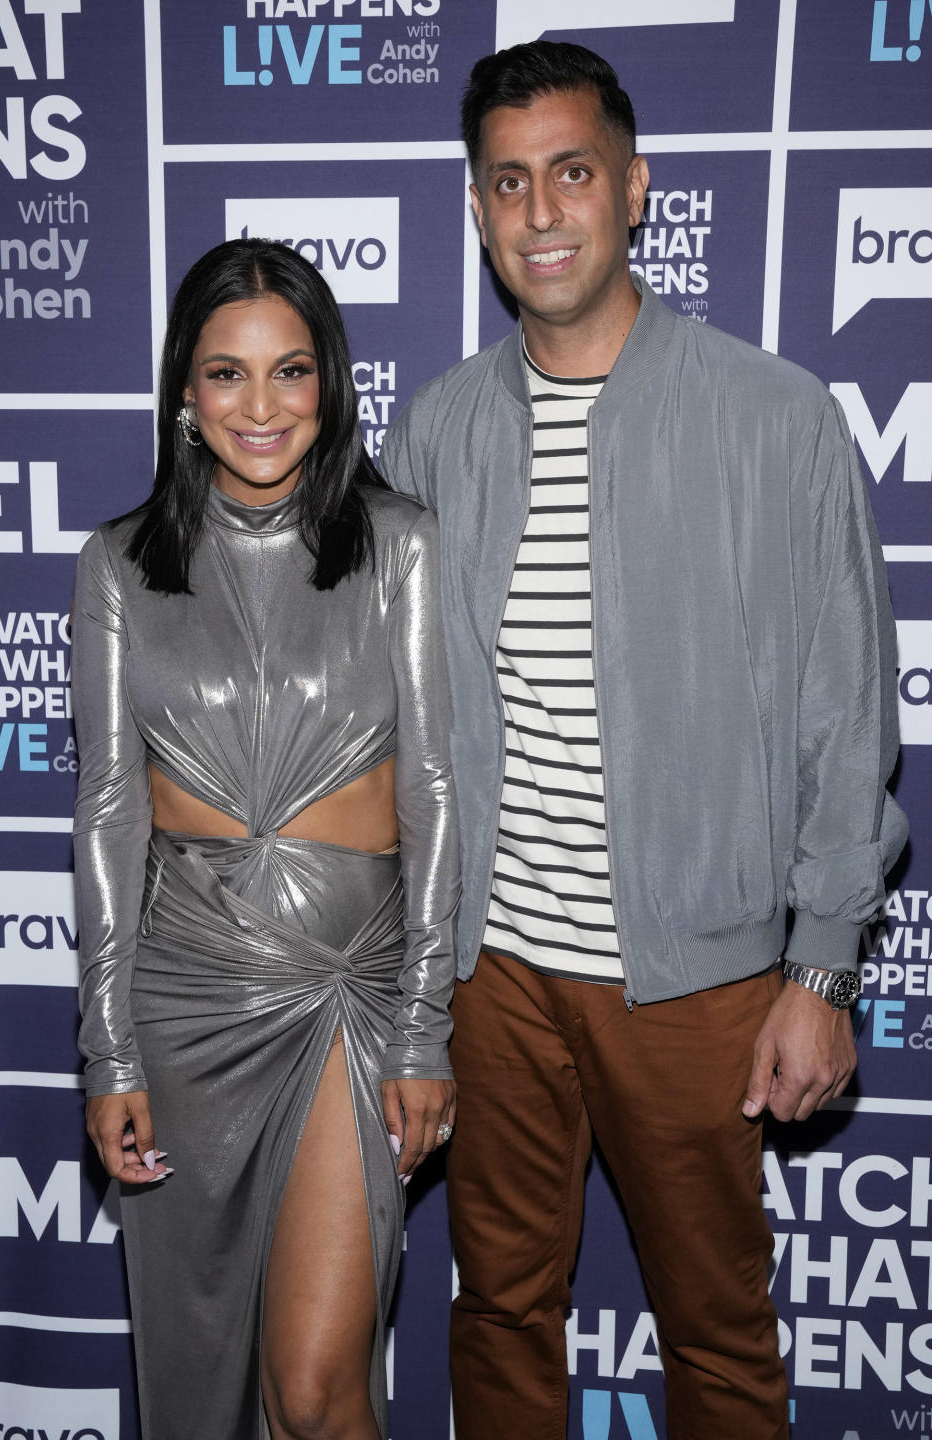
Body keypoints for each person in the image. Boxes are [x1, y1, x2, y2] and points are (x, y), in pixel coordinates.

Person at [380, 40, 905, 1440]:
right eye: (508, 182)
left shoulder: (774, 417)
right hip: (491, 980)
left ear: (633, 188)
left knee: (720, 1336)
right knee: (496, 1311)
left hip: (699, 984)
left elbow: (848, 710)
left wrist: (822, 968)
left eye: (569, 173)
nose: (541, 211)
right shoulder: (434, 431)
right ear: (480, 210)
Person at [71, 237, 458, 1440]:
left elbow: (435, 791)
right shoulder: (119, 567)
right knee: (198, 1395)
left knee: (316, 1387)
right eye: (226, 374)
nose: (261, 405)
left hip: (348, 999)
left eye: (291, 372)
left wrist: (424, 1024)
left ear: (329, 386)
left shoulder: (400, 543)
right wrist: (109, 1050)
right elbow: (108, 815)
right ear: (185, 396)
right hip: (186, 1006)